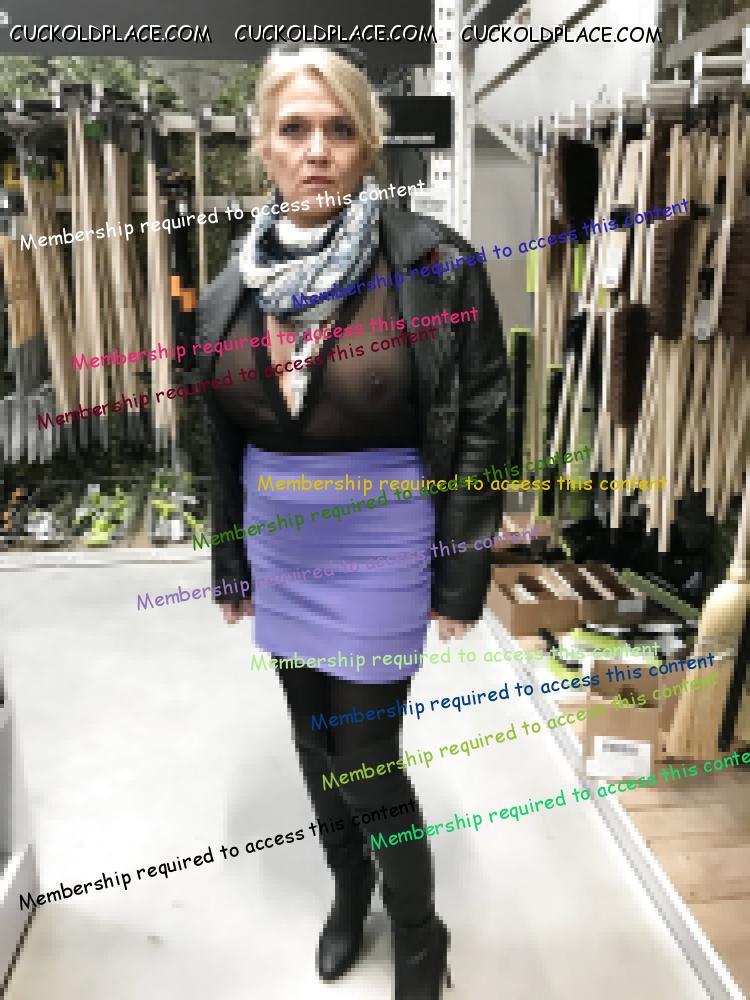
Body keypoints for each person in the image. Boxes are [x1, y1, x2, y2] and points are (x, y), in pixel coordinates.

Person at [199, 43, 507, 1000]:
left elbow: (483, 418)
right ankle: (349, 888)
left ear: (368, 144)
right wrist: (229, 559)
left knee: (365, 756)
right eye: (295, 129)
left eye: (338, 129)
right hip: (280, 542)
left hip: (382, 543)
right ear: (264, 145)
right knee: (311, 739)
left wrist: (461, 573)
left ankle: (418, 930)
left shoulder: (434, 265)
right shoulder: (232, 283)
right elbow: (216, 437)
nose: (316, 150)